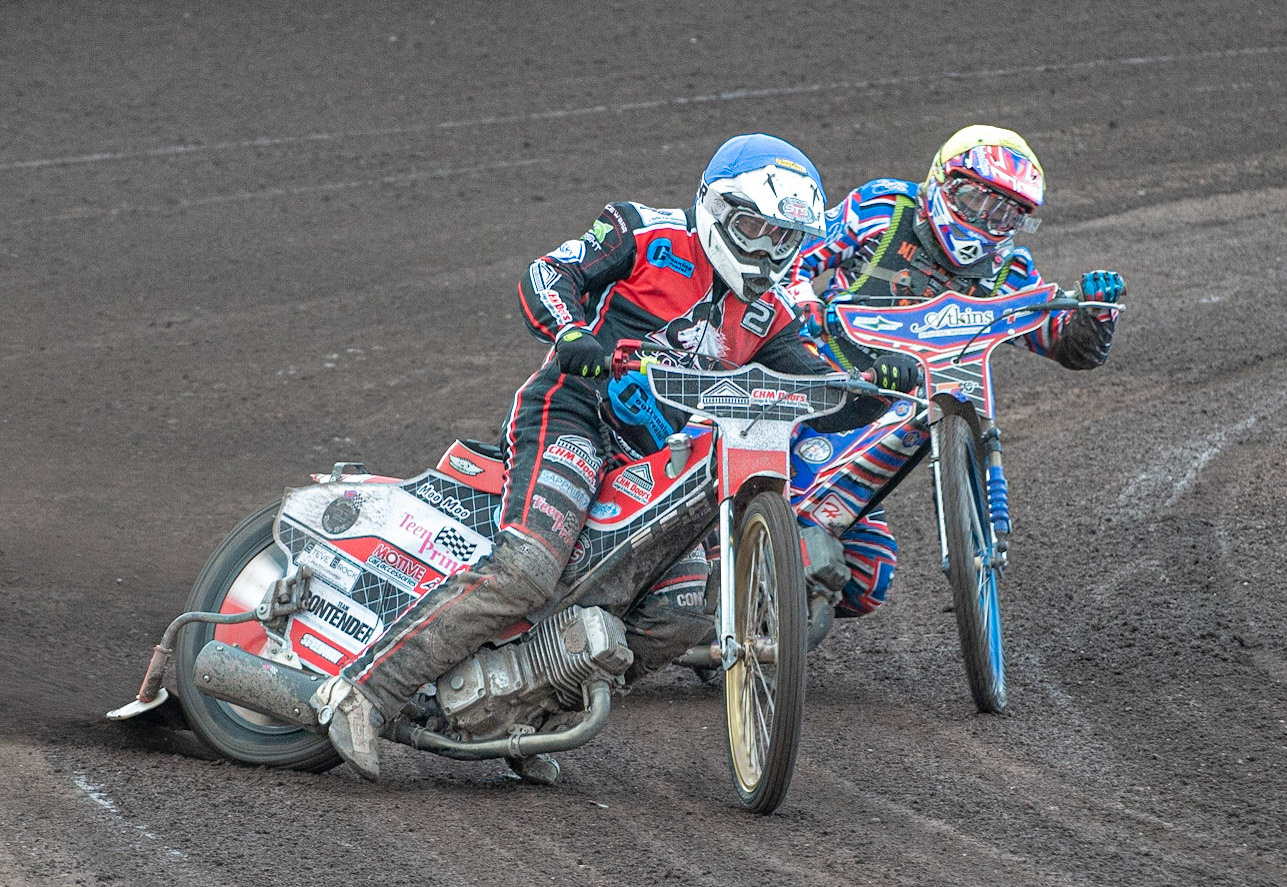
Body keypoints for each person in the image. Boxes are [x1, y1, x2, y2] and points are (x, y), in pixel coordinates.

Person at [310, 133, 920, 780]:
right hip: (577, 415)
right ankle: (360, 691)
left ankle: (528, 718)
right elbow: (548, 274)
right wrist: (572, 332)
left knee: (680, 613)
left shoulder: (765, 315)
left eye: (783, 240)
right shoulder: (647, 233)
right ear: (715, 207)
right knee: (528, 568)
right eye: (753, 228)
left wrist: (876, 386)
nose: (768, 251)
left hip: (657, 461)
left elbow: (818, 397)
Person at [786, 124, 1125, 619]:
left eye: (1005, 212)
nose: (986, 220)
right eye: (975, 200)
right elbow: (792, 261)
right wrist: (806, 311)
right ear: (942, 182)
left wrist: (1096, 316)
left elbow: (1067, 346)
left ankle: (771, 619)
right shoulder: (884, 207)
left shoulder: (1009, 272)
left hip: (900, 415)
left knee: (866, 577)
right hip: (816, 385)